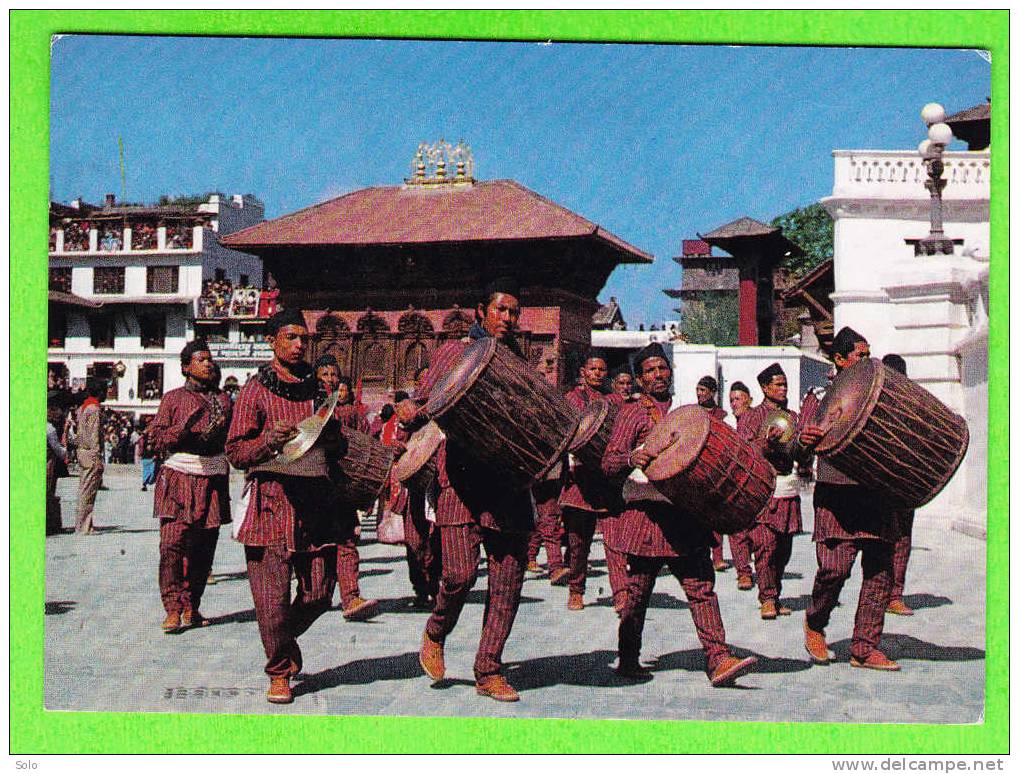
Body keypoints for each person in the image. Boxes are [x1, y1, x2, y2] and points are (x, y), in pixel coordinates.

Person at [601, 343, 756, 686]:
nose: (658, 375)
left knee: (701, 586)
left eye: (662, 368)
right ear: (640, 379)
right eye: (650, 371)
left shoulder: (686, 412)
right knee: (638, 593)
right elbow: (609, 461)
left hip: (684, 515)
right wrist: (631, 460)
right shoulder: (633, 414)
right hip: (647, 518)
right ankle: (628, 658)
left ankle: (718, 658)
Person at [409, 279, 535, 702]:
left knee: (507, 581)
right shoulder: (453, 352)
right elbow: (425, 402)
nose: (508, 318)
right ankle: (436, 629)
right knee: (459, 574)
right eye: (501, 309)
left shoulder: (520, 360)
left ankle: (489, 668)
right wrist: (412, 410)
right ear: (481, 312)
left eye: (514, 312)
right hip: (461, 479)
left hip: (509, 482)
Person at [226, 308, 348, 704]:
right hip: (271, 503)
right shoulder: (254, 392)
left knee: (319, 593)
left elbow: (337, 442)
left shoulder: (318, 391)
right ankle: (279, 670)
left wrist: (329, 437)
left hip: (314, 505)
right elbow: (235, 452)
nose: (299, 345)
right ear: (272, 342)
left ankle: (281, 637)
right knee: (271, 600)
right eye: (290, 338)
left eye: (303, 338)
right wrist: (267, 442)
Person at [797, 326, 903, 671]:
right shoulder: (817, 395)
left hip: (876, 491)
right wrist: (804, 440)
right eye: (860, 354)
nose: (867, 360)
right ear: (840, 360)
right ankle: (815, 622)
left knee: (879, 571)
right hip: (836, 494)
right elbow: (795, 444)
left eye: (868, 353)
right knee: (834, 568)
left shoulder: (882, 389)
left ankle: (864, 647)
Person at [147, 340, 232, 633]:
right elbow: (155, 439)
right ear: (186, 367)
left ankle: (191, 606)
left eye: (209, 359)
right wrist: (182, 428)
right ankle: (172, 608)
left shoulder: (224, 401)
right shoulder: (172, 399)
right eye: (200, 360)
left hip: (212, 478)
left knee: (203, 549)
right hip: (179, 477)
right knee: (171, 545)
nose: (207, 364)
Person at [737, 363, 812, 619]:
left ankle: (775, 595)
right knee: (765, 545)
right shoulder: (751, 417)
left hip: (787, 488)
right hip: (762, 489)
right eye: (778, 384)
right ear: (764, 388)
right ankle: (767, 597)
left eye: (785, 384)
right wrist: (765, 443)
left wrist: (806, 450)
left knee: (783, 549)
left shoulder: (793, 416)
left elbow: (801, 453)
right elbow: (743, 451)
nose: (783, 389)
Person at [313, 354, 379, 622]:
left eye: (334, 375)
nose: (330, 379)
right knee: (315, 544)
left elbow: (366, 446)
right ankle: (314, 595)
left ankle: (350, 597)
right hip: (313, 485)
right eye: (325, 374)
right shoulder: (307, 406)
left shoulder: (351, 414)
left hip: (341, 485)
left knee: (347, 540)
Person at [558, 353, 621, 611]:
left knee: (615, 540)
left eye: (602, 369)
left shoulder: (613, 401)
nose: (597, 373)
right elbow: (563, 430)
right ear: (583, 371)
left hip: (605, 477)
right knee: (578, 541)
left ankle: (621, 593)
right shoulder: (572, 399)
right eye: (593, 369)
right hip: (579, 477)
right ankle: (576, 589)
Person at [881, 354, 915, 617]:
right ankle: (883, 594)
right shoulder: (873, 402)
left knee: (902, 538)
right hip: (880, 484)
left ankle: (895, 595)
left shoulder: (912, 404)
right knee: (882, 542)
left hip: (904, 483)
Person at [696, 375, 729, 572]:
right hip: (698, 468)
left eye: (703, 390)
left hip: (716, 468)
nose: (700, 394)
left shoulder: (723, 415)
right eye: (698, 390)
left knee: (716, 516)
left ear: (712, 392)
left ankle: (718, 558)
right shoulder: (693, 412)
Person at [726, 381, 755, 591]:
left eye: (738, 399)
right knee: (737, 529)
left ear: (749, 399)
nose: (734, 403)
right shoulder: (732, 423)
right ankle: (743, 572)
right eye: (731, 400)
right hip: (736, 483)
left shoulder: (754, 419)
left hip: (754, 481)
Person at [74, 379, 106, 534]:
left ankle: (84, 523)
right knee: (88, 491)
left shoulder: (83, 407)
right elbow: (94, 436)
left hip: (81, 451)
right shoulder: (94, 409)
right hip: (90, 453)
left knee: (84, 489)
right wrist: (97, 457)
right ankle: (84, 527)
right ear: (99, 392)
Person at [46, 393, 69, 535]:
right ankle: (51, 525)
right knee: (48, 493)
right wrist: (65, 434)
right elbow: (60, 451)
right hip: (48, 465)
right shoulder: (50, 429)